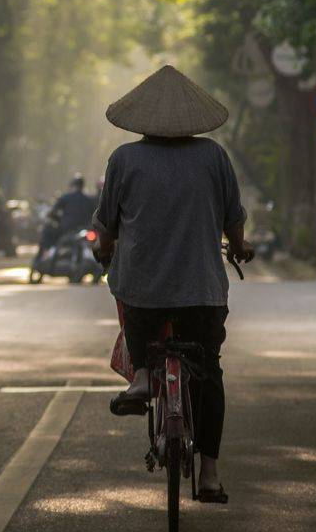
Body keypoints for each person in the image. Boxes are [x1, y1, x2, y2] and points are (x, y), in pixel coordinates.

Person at [88, 65, 252, 504]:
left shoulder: (124, 159)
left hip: (145, 290)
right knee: (209, 372)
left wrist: (105, 252)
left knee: (130, 293)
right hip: (202, 291)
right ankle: (211, 475)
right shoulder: (214, 157)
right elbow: (234, 221)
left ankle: (141, 375)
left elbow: (106, 228)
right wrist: (239, 247)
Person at [38, 173, 97, 255]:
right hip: (84, 229)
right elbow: (95, 215)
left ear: (72, 185)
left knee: (47, 230)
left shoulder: (65, 197)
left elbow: (52, 213)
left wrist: (58, 220)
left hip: (66, 229)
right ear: (83, 186)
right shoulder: (89, 200)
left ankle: (44, 254)